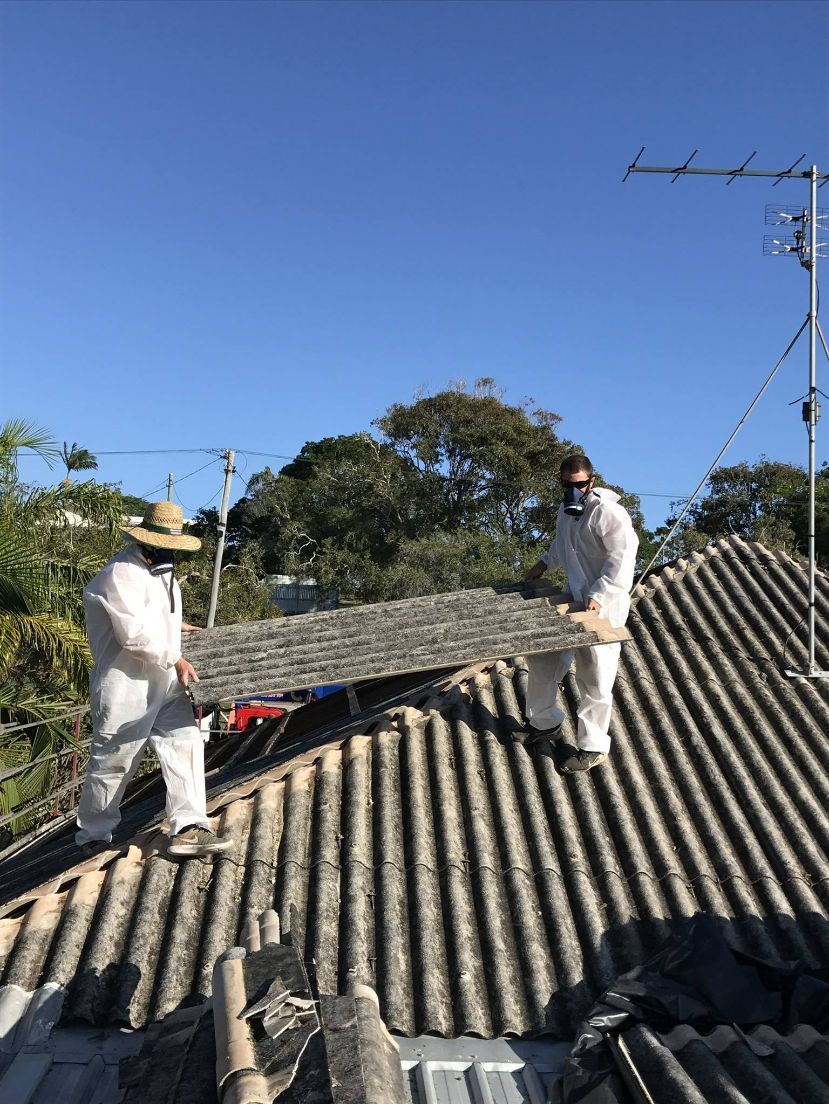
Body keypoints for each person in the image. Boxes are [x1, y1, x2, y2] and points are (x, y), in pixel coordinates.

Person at [75, 501, 232, 859]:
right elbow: (131, 633)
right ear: (147, 542)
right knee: (114, 761)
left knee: (186, 742)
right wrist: (173, 656)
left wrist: (176, 627)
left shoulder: (161, 573)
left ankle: (189, 825)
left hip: (164, 682)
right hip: (125, 686)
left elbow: (151, 617)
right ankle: (94, 835)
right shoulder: (121, 573)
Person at [523, 455, 638, 773]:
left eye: (581, 485)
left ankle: (593, 746)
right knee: (543, 658)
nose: (575, 490)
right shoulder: (565, 511)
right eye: (568, 485)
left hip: (604, 607)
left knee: (595, 675)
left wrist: (599, 596)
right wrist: (544, 563)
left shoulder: (609, 513)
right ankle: (544, 722)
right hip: (573, 600)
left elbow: (622, 557)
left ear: (592, 481)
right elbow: (562, 546)